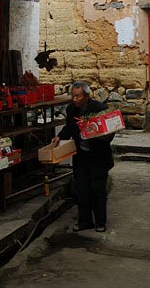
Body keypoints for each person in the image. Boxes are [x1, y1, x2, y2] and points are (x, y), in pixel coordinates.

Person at [51, 81, 115, 232]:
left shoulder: (100, 109)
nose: (75, 99)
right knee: (82, 190)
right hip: (81, 157)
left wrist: (91, 130)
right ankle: (85, 221)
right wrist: (59, 137)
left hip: (99, 156)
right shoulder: (71, 109)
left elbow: (109, 132)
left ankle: (100, 222)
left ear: (87, 96)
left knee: (98, 190)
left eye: (78, 96)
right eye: (73, 96)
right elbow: (69, 127)